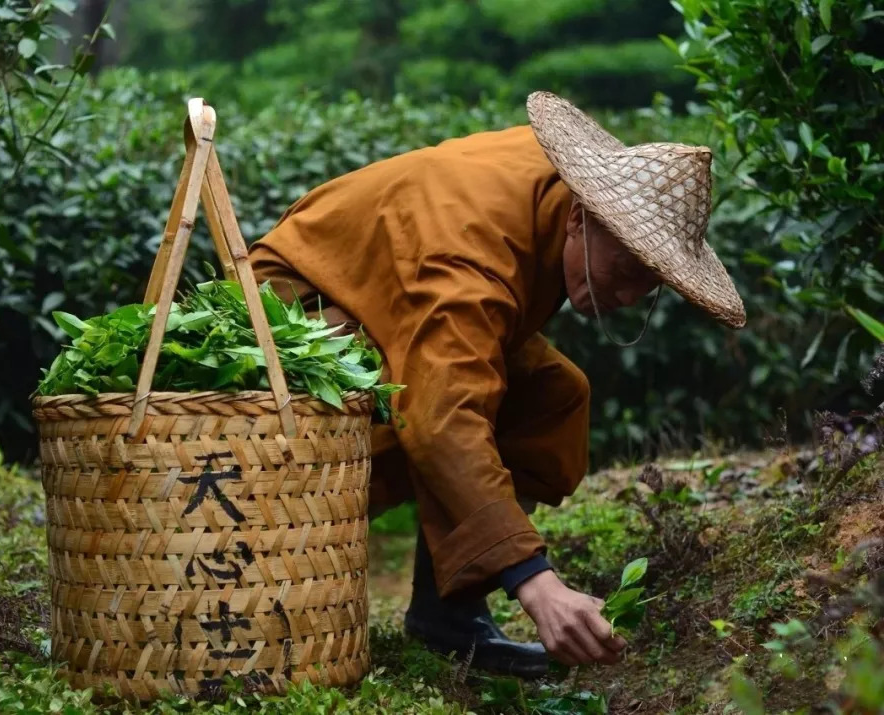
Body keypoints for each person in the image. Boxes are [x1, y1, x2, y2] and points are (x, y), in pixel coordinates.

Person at [249, 91, 746, 676]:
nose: (630, 295)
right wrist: (535, 583)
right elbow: (443, 416)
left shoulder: (554, 189)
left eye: (653, 280)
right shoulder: (470, 254)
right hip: (294, 317)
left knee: (554, 397)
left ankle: (449, 615)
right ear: (583, 217)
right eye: (629, 268)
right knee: (435, 414)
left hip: (388, 300)